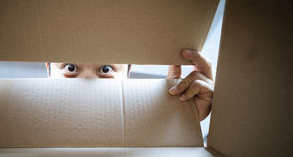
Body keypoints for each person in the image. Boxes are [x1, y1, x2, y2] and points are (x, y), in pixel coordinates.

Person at [46, 49, 214, 121]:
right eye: (70, 67)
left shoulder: (146, 123)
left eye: (106, 69)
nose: (88, 82)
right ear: (48, 69)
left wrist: (182, 118)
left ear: (128, 72)